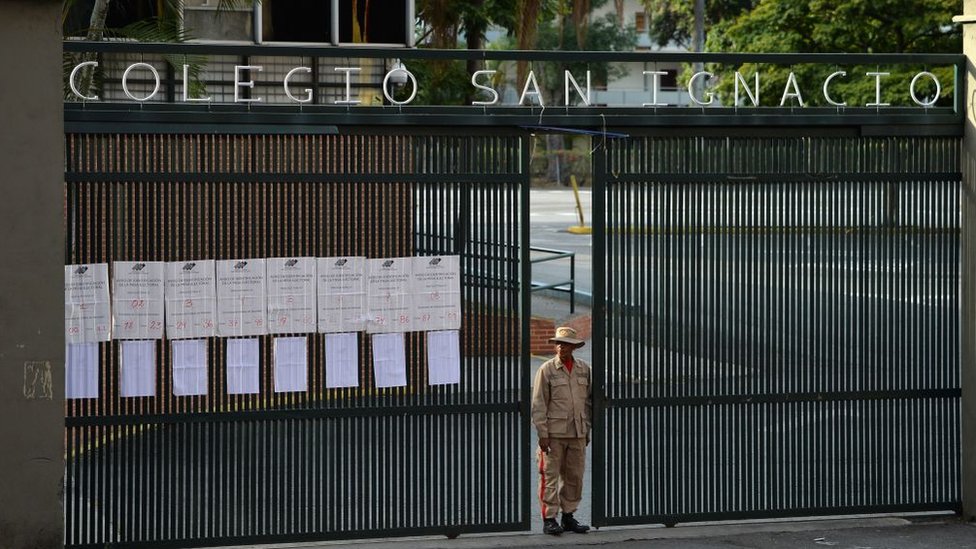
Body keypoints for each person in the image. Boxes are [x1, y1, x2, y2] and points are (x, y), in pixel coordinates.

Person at [531, 326, 592, 535]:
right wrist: (543, 433)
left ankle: (568, 516)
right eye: (558, 343)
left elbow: (589, 403)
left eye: (564, 343)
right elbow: (538, 404)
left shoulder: (584, 369)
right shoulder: (546, 369)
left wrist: (587, 429)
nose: (560, 347)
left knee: (574, 477)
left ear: (573, 347)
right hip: (554, 434)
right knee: (549, 477)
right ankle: (549, 518)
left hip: (577, 432)